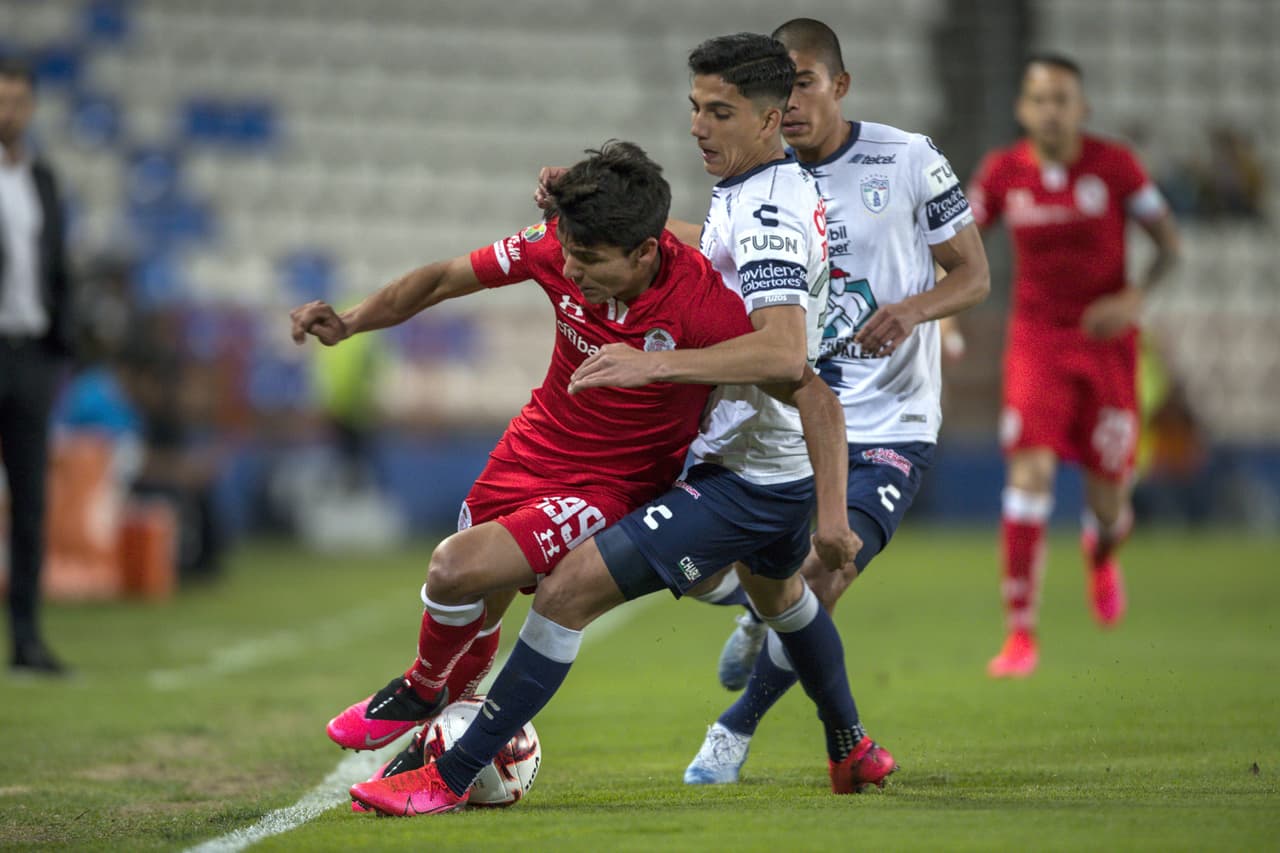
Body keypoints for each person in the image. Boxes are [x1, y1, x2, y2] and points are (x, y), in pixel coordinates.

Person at [349, 32, 882, 817]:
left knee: (565, 592)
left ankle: (447, 774)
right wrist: (588, 207)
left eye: (720, 111)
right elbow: (707, 251)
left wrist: (650, 363)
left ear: (771, 119)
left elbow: (786, 357)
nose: (700, 125)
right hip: (758, 463)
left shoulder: (770, 214)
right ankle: (853, 749)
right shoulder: (755, 187)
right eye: (695, 107)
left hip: (744, 474)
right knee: (788, 604)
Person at [292, 141, 761, 779]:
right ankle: (431, 743)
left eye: (590, 260)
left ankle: (423, 688)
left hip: (610, 484)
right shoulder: (559, 246)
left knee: (455, 569)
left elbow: (778, 367)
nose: (570, 268)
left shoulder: (706, 307)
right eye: (567, 250)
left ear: (645, 251)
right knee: (472, 608)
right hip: (529, 448)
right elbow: (442, 279)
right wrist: (350, 322)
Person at [619, 18, 985, 785]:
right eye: (779, 88)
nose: (789, 101)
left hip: (890, 419)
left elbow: (973, 274)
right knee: (750, 573)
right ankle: (756, 606)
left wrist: (914, 310)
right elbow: (707, 241)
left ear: (839, 85)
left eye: (805, 83)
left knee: (829, 571)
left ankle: (734, 728)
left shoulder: (908, 158)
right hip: (785, 418)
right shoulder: (757, 180)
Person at [966, 54, 1180, 678]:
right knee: (1028, 473)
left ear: (1081, 109)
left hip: (1108, 346)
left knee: (1110, 503)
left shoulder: (1116, 167)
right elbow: (960, 242)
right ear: (1022, 109)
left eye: (1062, 99)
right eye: (1039, 99)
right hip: (1036, 343)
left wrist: (1134, 297)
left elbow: (1169, 244)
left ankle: (1102, 551)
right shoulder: (1003, 173)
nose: (1050, 110)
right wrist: (947, 310)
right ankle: (1020, 635)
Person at [0, 58, 76, 675]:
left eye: (19, 101)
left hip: (29, 355)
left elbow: (57, 269)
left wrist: (61, 349)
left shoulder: (42, 180)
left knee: (30, 504)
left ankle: (25, 639)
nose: (9, 112)